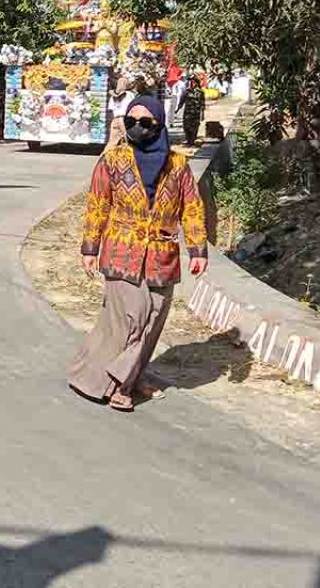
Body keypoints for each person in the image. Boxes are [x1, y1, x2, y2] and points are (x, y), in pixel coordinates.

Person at [69, 95, 207, 412]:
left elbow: (192, 210)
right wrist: (90, 247)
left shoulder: (179, 166)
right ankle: (117, 386)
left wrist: (197, 249)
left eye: (145, 123)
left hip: (162, 256)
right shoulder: (112, 161)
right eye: (131, 122)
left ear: (158, 125)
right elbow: (97, 205)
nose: (137, 128)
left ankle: (133, 376)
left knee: (153, 320)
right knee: (131, 319)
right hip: (121, 250)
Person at [106, 78, 134, 148]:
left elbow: (111, 110)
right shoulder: (129, 95)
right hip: (124, 119)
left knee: (112, 142)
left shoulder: (112, 97)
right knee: (128, 142)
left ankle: (104, 157)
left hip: (115, 119)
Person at [182, 75, 206, 146]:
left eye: (193, 81)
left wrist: (202, 114)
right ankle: (188, 139)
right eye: (190, 81)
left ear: (196, 82)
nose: (191, 83)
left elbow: (202, 103)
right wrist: (177, 109)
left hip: (196, 112)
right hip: (187, 112)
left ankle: (192, 140)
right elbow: (182, 100)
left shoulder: (200, 92)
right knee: (186, 126)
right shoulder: (186, 91)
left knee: (195, 126)